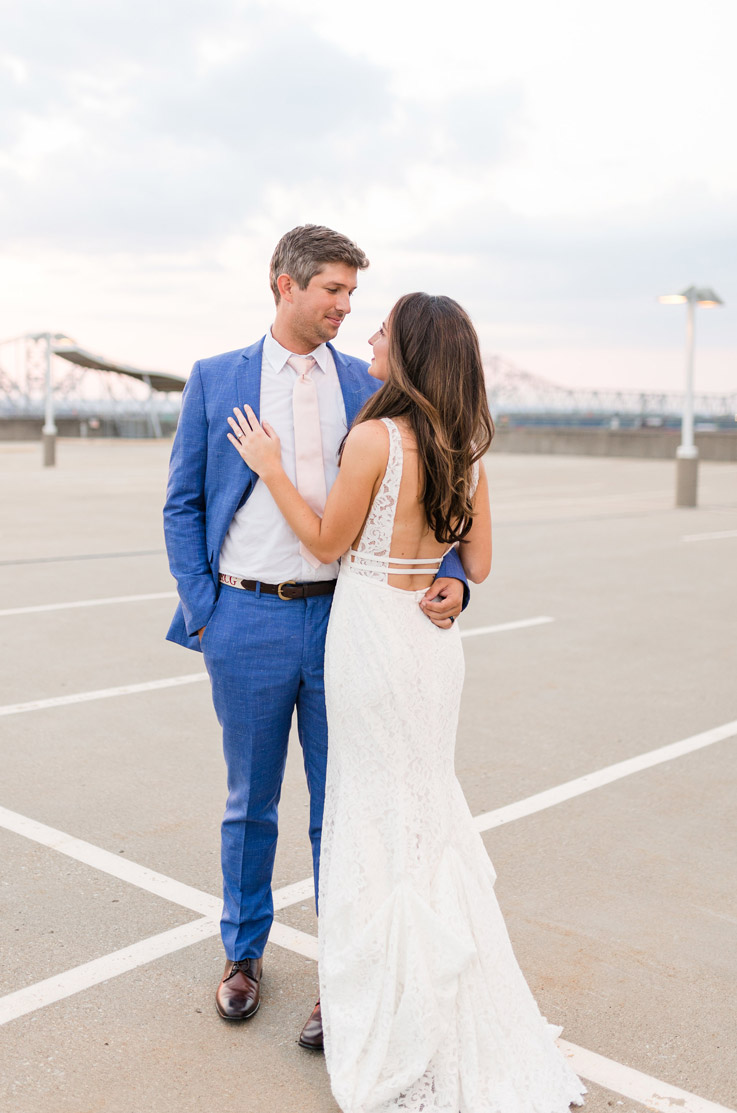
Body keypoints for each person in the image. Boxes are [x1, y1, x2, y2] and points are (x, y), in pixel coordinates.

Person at [229, 292, 586, 1113]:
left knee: (372, 813)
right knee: (422, 807)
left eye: (383, 329)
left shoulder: (373, 439)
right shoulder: (465, 447)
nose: (369, 336)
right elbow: (480, 563)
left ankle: (393, 1006)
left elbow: (325, 542)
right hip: (429, 645)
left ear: (412, 349)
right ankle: (442, 985)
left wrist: (272, 468)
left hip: (369, 637)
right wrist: (448, 584)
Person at [162, 227, 468, 1042]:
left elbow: (428, 475)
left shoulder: (370, 383)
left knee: (346, 810)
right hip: (246, 616)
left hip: (348, 620)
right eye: (331, 289)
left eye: (350, 295)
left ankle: (346, 977)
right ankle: (242, 953)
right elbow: (182, 503)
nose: (343, 307)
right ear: (283, 284)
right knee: (249, 802)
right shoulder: (215, 378)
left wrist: (456, 575)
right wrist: (205, 607)